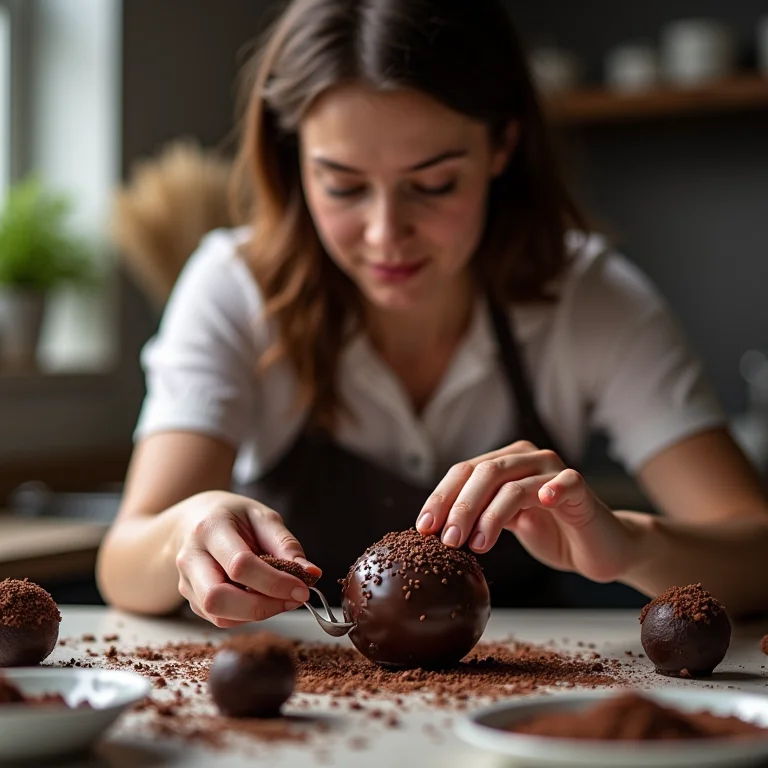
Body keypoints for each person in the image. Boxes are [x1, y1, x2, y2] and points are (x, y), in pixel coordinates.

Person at [97, 0, 768, 626]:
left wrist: (630, 546)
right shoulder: (235, 287)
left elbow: (755, 552)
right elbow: (123, 561)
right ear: (293, 157)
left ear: (501, 144)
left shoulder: (588, 299)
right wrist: (186, 531)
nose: (387, 233)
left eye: (434, 184)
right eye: (343, 185)